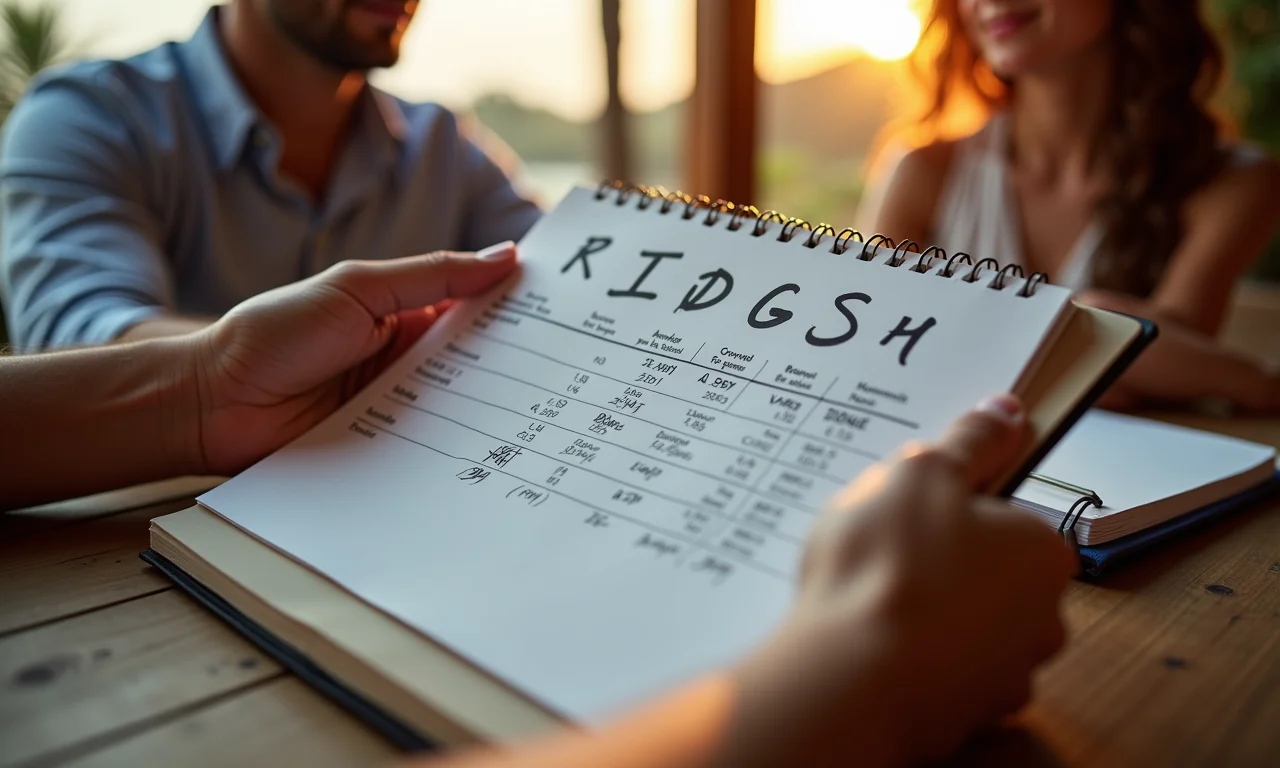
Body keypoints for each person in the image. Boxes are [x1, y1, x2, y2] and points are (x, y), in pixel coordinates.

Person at [0, 244, 1076, 767]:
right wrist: (856, 681)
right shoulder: (94, 113)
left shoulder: (437, 140)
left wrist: (203, 391)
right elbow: (69, 303)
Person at [0, 0, 540, 352]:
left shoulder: (445, 146)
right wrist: (269, 358)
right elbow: (74, 341)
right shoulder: (91, 118)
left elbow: (573, 273)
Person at [873, 0, 1280, 413]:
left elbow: (1172, 362)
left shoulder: (1232, 183)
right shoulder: (922, 172)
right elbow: (873, 348)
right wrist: (1258, 384)